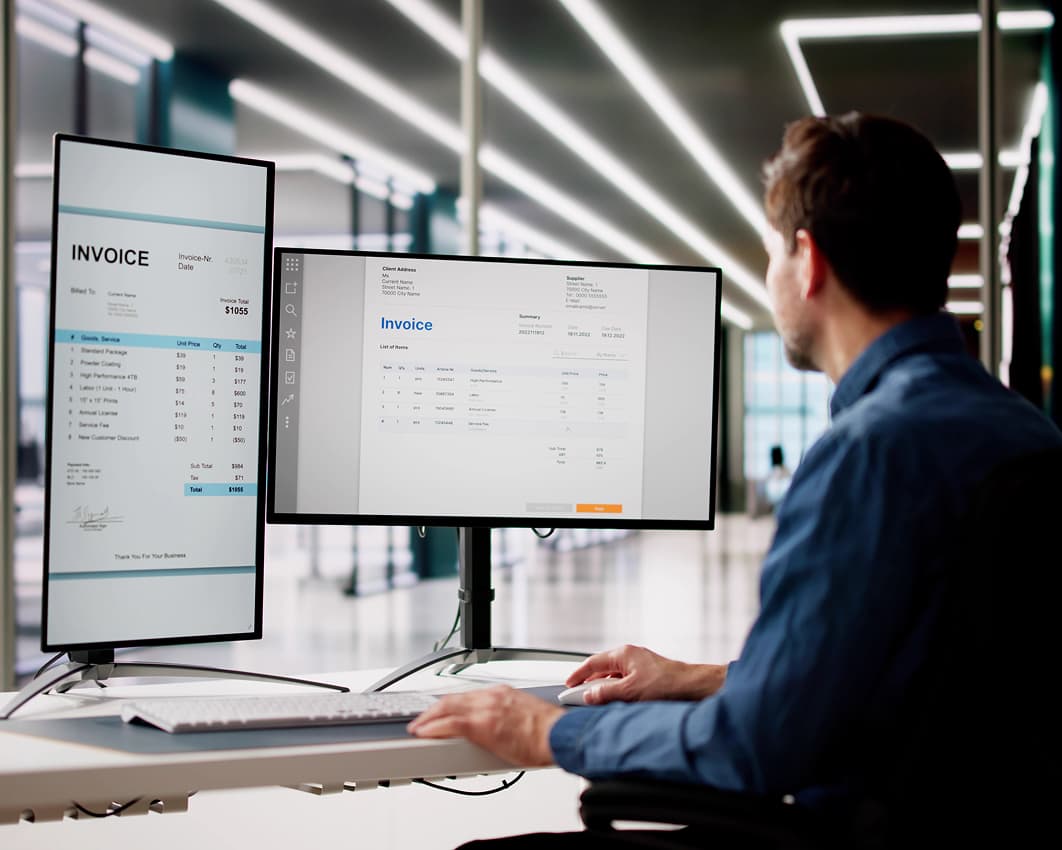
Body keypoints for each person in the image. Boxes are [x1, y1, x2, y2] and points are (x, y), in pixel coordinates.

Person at [407, 113, 1062, 846]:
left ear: (808, 261)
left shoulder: (869, 453)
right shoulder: (1023, 430)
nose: (772, 276)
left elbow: (755, 747)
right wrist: (693, 677)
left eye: (771, 256)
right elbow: (912, 677)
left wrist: (551, 733)